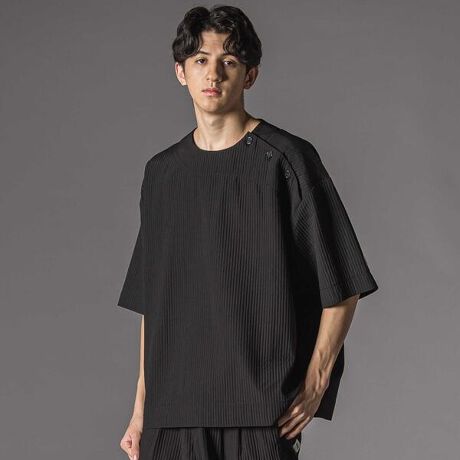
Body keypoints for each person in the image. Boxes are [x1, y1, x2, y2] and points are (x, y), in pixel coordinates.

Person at [116, 5, 378, 460]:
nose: (213, 73)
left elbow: (343, 282)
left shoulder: (286, 161)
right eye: (200, 59)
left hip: (259, 413)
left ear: (250, 75)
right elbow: (154, 304)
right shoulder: (161, 174)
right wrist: (141, 410)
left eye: (230, 61)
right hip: (171, 416)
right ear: (180, 72)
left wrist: (316, 382)